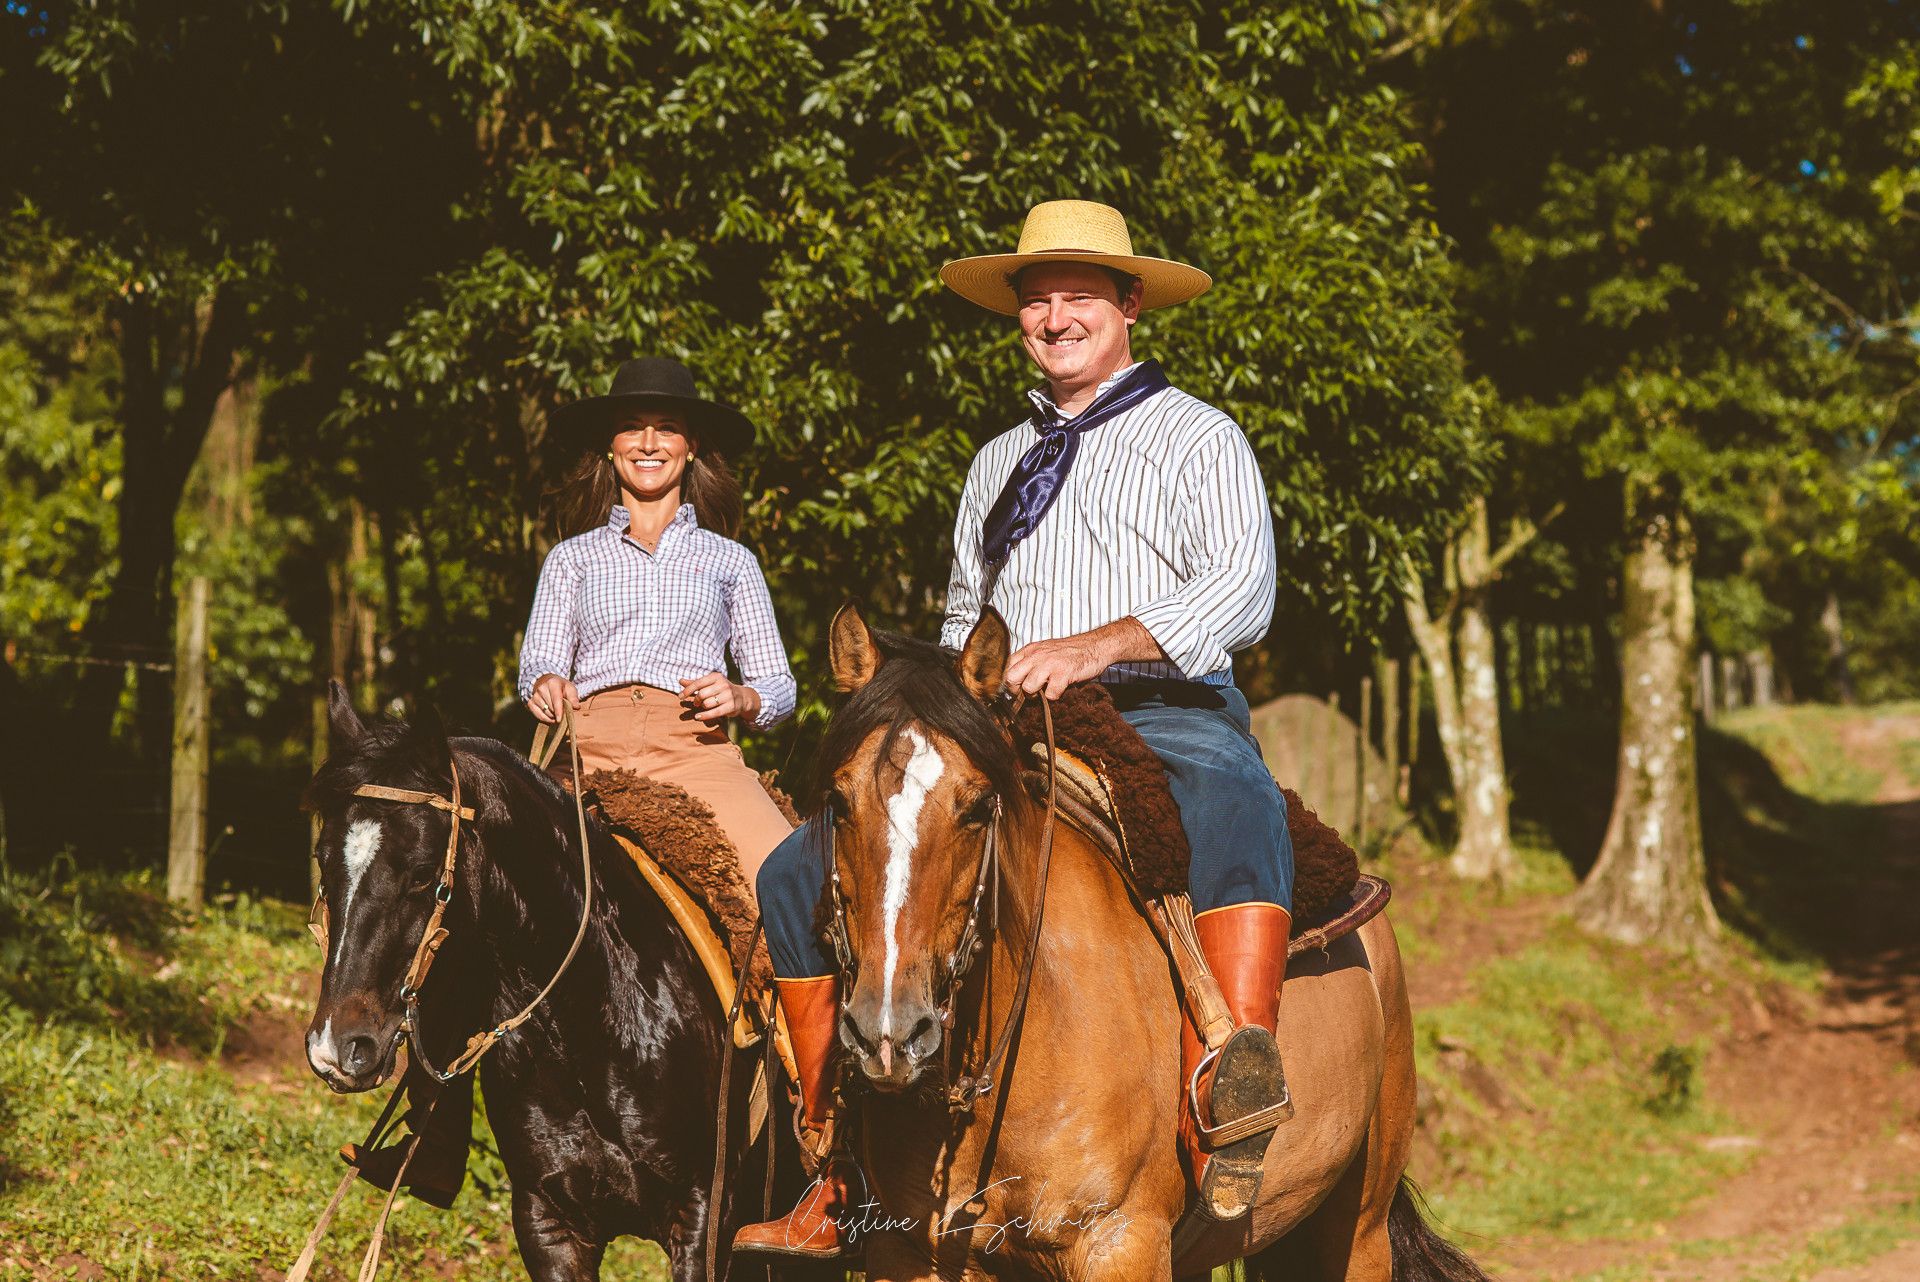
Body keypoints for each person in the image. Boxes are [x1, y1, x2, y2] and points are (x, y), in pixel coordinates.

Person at [738, 199, 1296, 1250]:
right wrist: (946, 695)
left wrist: (1096, 645)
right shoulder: (995, 464)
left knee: (1235, 796)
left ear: (1131, 304)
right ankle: (836, 1158)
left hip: (1162, 708)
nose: (1054, 315)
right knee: (795, 871)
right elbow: (965, 624)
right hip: (1007, 724)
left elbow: (1242, 592)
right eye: (1036, 298)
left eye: (1078, 293)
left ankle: (1235, 1086)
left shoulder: (1199, 436)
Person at [343, 355, 797, 1208]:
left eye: (667, 427)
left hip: (695, 750)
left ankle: (820, 1122)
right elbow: (541, 660)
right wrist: (547, 683)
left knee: (791, 887)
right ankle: (434, 1135)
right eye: (633, 428)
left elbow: (780, 689)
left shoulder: (732, 563)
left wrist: (739, 694)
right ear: (612, 448)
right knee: (465, 901)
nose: (650, 441)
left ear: (692, 447)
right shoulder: (573, 559)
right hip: (582, 753)